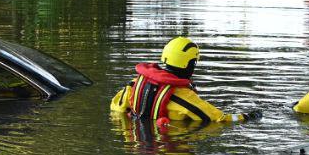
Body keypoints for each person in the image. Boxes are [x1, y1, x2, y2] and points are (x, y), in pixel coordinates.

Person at [110, 36, 261, 128]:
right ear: (189, 65)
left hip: (138, 141)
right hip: (167, 140)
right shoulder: (185, 97)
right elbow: (219, 119)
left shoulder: (135, 84)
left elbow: (116, 108)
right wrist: (249, 117)